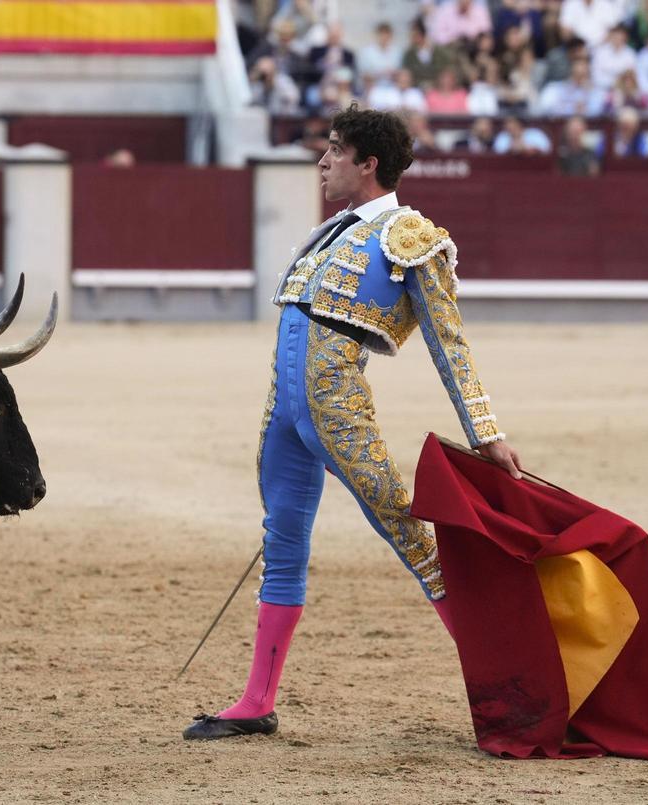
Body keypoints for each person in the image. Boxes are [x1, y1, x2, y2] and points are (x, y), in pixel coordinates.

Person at [182, 105, 522, 741]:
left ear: (369, 164)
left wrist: (486, 432)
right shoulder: (334, 231)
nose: (323, 160)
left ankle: (514, 693)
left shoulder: (411, 235)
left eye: (335, 150)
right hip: (285, 409)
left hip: (336, 406)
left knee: (414, 537)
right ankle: (257, 701)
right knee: (282, 539)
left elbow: (450, 342)